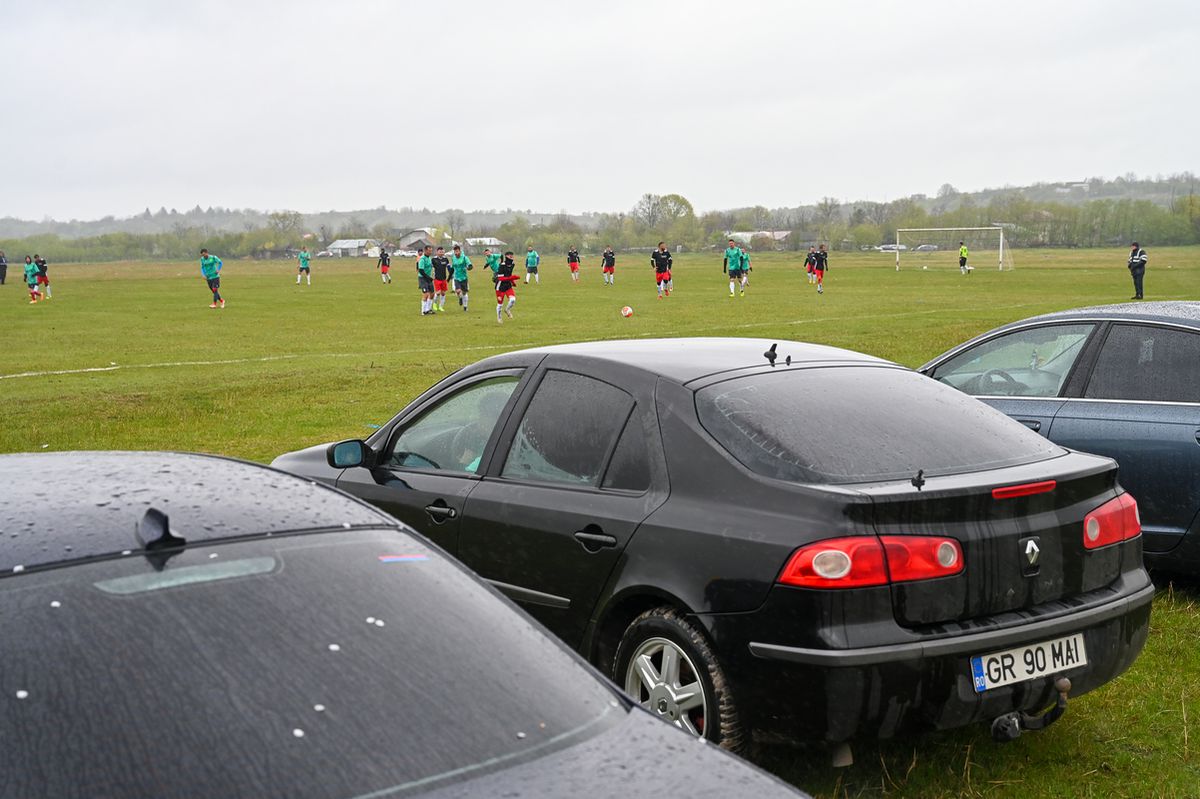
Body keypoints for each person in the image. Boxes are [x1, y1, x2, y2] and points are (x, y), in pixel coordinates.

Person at [494, 250, 519, 323]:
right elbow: (500, 278)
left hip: (508, 285)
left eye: (512, 255)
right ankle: (499, 317)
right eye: (509, 255)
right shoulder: (502, 265)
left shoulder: (512, 264)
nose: (511, 256)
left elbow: (509, 274)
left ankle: (507, 310)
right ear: (506, 256)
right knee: (500, 304)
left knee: (513, 299)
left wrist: (512, 282)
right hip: (500, 287)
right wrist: (512, 278)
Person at [450, 244, 473, 311]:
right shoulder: (453, 258)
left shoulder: (464, 258)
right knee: (458, 291)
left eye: (457, 251)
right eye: (455, 251)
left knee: (464, 292)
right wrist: (450, 276)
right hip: (456, 277)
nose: (456, 253)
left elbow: (470, 265)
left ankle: (465, 307)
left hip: (464, 277)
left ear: (460, 251)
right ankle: (460, 298)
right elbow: (453, 267)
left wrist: (468, 267)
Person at [431, 246, 452, 312]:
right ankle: (434, 304)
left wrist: (450, 274)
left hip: (444, 278)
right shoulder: (433, 259)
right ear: (437, 252)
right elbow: (430, 268)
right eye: (440, 252)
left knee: (443, 293)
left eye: (443, 252)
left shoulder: (445, 259)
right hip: (437, 278)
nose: (441, 253)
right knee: (438, 292)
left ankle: (441, 306)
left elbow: (448, 268)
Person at [416, 245, 435, 315]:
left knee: (432, 294)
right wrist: (428, 277)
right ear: (425, 251)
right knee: (426, 294)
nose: (430, 252)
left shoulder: (429, 258)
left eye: (431, 250)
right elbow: (421, 270)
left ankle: (428, 309)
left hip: (428, 278)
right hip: (423, 278)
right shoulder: (422, 259)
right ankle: (423, 311)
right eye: (429, 251)